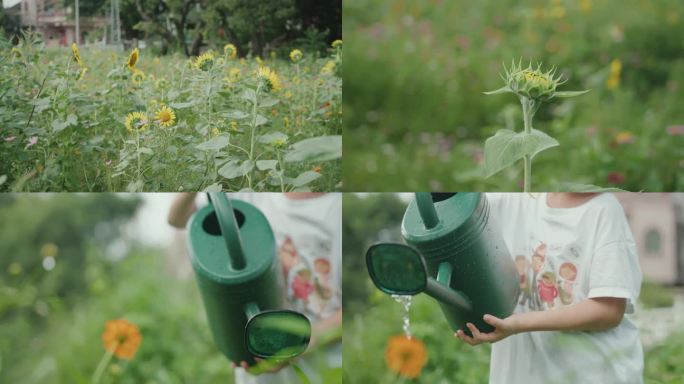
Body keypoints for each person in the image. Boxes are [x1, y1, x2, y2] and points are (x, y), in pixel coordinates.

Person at [454, 193, 643, 384]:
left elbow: (608, 310)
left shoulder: (604, 210)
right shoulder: (511, 200)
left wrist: (519, 323)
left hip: (591, 374)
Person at [168, 192, 342, 384]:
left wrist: (304, 341)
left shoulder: (338, 209)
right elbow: (177, 218)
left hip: (323, 370)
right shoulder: (250, 196)